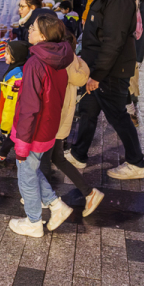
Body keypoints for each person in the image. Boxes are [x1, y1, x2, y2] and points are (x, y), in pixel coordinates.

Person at [66, 0, 144, 180]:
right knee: (88, 110)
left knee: (117, 115)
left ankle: (136, 163)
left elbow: (114, 39)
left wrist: (98, 74)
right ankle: (79, 154)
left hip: (111, 70)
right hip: (100, 67)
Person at [9, 15, 75, 237]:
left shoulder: (35, 62)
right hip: (48, 127)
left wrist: (21, 144)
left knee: (26, 176)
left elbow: (30, 108)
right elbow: (48, 92)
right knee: (31, 170)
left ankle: (34, 222)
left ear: (44, 36)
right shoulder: (59, 59)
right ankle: (57, 206)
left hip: (33, 131)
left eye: (33, 28)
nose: (29, 30)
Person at [53, 31, 104, 217]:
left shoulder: (62, 63)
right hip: (62, 120)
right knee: (57, 158)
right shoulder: (74, 62)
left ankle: (46, 199)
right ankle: (89, 193)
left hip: (54, 120)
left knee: (44, 160)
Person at [0, 40, 30, 167]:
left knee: (12, 136)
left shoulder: (16, 78)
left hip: (15, 118)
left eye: (7, 53)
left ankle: (2, 156)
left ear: (16, 55)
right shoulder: (18, 69)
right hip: (17, 117)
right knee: (12, 137)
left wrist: (5, 127)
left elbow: (11, 108)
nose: (4, 56)